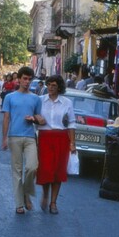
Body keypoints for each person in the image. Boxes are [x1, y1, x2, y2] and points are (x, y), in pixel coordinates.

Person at [1, 66, 44, 214]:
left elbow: (40, 118)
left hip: (30, 136)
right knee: (17, 171)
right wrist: (4, 138)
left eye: (29, 79)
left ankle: (26, 193)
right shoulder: (10, 97)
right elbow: (6, 118)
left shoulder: (36, 98)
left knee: (32, 167)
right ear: (18, 79)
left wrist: (34, 119)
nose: (27, 82)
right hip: (14, 136)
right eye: (24, 79)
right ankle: (19, 204)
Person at [35, 75, 76, 214]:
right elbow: (32, 116)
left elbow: (71, 123)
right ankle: (45, 195)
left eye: (54, 85)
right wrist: (36, 119)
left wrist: (72, 143)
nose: (51, 88)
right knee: (46, 169)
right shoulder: (40, 101)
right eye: (49, 85)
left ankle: (53, 202)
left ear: (59, 87)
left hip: (61, 137)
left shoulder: (66, 102)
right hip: (45, 137)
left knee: (58, 170)